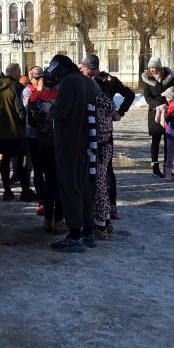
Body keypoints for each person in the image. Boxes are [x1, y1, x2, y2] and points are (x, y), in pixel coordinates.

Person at [48, 54, 100, 252]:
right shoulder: (87, 82)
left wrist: (50, 108)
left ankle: (74, 235)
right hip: (88, 143)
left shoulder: (70, 82)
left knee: (71, 188)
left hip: (70, 143)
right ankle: (88, 232)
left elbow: (62, 112)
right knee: (86, 187)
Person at [81, 55, 121, 238]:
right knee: (102, 183)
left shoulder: (94, 102)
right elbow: (116, 116)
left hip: (95, 146)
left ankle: (101, 224)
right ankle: (105, 221)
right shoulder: (107, 101)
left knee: (97, 185)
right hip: (106, 145)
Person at [92, 63, 134, 220]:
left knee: (106, 167)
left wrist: (120, 112)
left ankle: (110, 205)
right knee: (98, 168)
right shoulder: (85, 80)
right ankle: (98, 205)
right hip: (93, 129)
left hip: (103, 129)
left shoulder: (109, 80)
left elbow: (130, 95)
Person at [25, 67, 62, 232]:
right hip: (58, 144)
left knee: (48, 181)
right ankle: (59, 220)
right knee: (59, 183)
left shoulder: (33, 98)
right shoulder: (59, 97)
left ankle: (47, 219)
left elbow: (31, 122)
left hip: (41, 142)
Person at [0, 63, 30, 202]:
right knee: (23, 160)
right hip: (17, 131)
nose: (20, 75)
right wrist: (25, 124)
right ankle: (25, 189)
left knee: (4, 161)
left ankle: (7, 190)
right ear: (14, 72)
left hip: (2, 131)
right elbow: (20, 109)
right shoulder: (15, 87)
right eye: (19, 72)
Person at [140, 57, 174, 178]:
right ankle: (155, 168)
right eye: (151, 67)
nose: (153, 70)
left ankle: (167, 168)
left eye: (155, 67)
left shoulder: (169, 78)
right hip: (155, 113)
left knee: (168, 141)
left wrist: (170, 102)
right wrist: (159, 105)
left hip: (169, 112)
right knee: (155, 140)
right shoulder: (147, 80)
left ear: (159, 67)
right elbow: (148, 98)